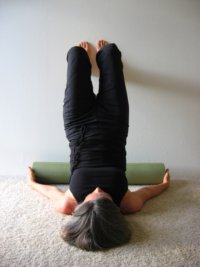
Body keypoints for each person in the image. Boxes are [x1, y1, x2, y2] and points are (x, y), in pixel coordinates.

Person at [28, 40, 170, 251]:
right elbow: (147, 192)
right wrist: (164, 185)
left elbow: (50, 191)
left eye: (90, 197)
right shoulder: (128, 204)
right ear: (114, 211)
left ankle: (85, 60)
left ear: (81, 208)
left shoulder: (68, 204)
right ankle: (103, 56)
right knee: (110, 52)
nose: (97, 188)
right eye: (105, 197)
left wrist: (32, 183)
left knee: (76, 54)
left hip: (78, 125)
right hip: (114, 123)